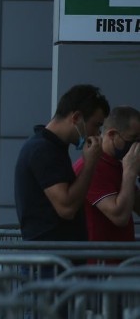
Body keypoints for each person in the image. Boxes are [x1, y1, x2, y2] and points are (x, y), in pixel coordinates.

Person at [14, 84, 110, 242]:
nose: (97, 134)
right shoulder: (43, 150)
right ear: (76, 118)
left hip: (56, 258)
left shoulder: (54, 147)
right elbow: (66, 208)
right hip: (49, 261)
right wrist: (90, 164)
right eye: (96, 125)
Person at [72, 105, 140, 243]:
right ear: (112, 135)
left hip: (121, 261)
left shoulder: (120, 165)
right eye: (133, 139)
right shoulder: (91, 167)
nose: (136, 147)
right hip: (98, 260)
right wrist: (130, 173)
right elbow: (119, 216)